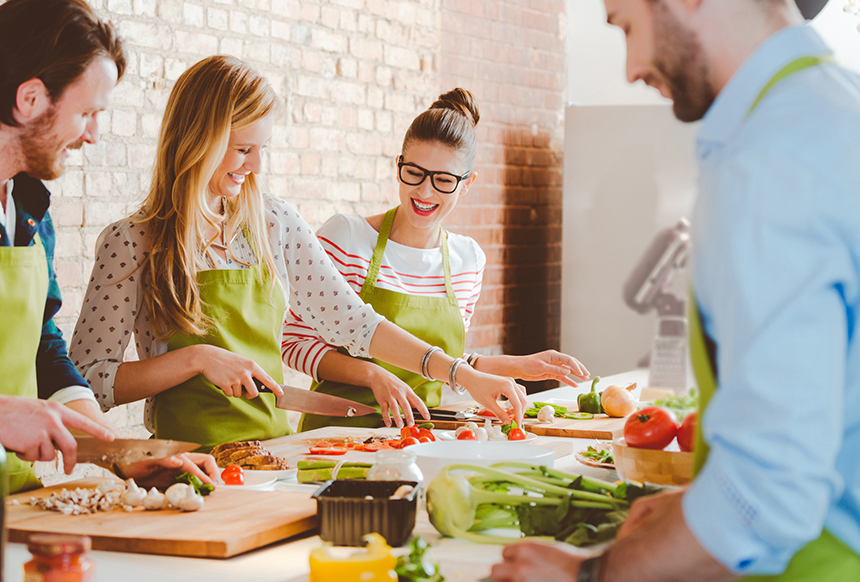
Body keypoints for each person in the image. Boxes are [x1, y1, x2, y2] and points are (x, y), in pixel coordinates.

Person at [492, 1, 860, 581]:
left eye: (626, 25)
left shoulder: (771, 158)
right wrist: (695, 516)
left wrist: (591, 574)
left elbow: (767, 494)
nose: (631, 69)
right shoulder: (834, 111)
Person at [70, 56, 528, 453]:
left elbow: (355, 324)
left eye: (262, 148)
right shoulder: (133, 241)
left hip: (274, 457)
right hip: (185, 465)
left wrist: (460, 375)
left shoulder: (273, 224)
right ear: (196, 139)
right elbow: (88, 379)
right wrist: (194, 359)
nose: (256, 167)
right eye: (243, 149)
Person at [0, 0, 216, 494]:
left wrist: (116, 452)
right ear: (31, 98)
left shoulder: (29, 209)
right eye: (87, 112)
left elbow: (39, 345)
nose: (94, 135)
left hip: (13, 496)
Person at [283, 88, 589, 431]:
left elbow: (446, 363)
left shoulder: (467, 260)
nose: (425, 192)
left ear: (467, 184)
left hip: (421, 439)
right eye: (414, 172)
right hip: (336, 438)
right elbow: (294, 342)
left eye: (443, 180)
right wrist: (373, 375)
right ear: (398, 164)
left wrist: (518, 365)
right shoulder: (347, 238)